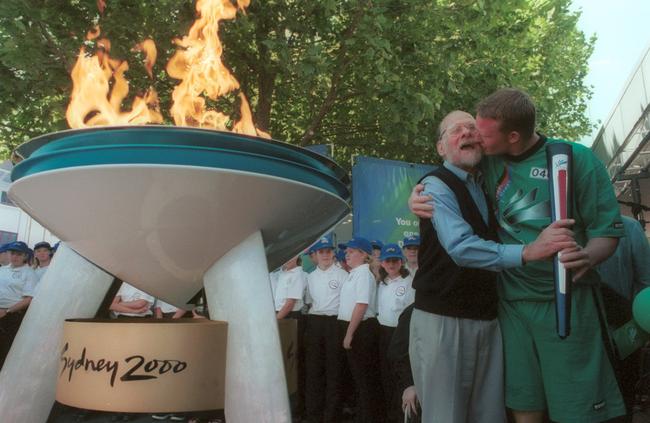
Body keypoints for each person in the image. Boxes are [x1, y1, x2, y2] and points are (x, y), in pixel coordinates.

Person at [411, 89, 627, 423]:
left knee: (576, 410)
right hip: (509, 307)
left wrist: (587, 256)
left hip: (565, 303)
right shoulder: (486, 162)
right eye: (469, 132)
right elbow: (449, 174)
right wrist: (419, 196)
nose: (474, 139)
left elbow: (607, 233)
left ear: (511, 136)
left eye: (481, 134)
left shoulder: (576, 160)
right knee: (523, 404)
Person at [337, 237, 384, 423]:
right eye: (346, 251)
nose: (346, 254)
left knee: (365, 380)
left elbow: (361, 305)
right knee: (359, 378)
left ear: (364, 255)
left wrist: (349, 334)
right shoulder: (355, 273)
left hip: (361, 329)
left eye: (351, 251)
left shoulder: (364, 274)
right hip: (354, 327)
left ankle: (369, 417)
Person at [304, 237, 348, 423]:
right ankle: (314, 416)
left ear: (333, 253)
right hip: (314, 323)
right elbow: (308, 302)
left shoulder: (342, 275)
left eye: (328, 251)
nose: (325, 255)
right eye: (321, 252)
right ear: (315, 255)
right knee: (314, 370)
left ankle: (332, 417)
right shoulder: (310, 277)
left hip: (334, 324)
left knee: (334, 370)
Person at [376, 243, 414, 423]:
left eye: (395, 261)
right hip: (383, 332)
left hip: (401, 334)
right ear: (382, 263)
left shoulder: (409, 282)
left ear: (401, 262)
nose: (391, 264)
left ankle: (402, 415)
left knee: (400, 376)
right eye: (387, 261)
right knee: (385, 375)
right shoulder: (381, 283)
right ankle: (389, 415)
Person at [0, 241, 38, 368]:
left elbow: (29, 298)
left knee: (5, 349)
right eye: (12, 253)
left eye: (18, 254)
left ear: (25, 256)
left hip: (12, 316)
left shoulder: (29, 273)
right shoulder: (2, 270)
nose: (14, 257)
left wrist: (7, 311)